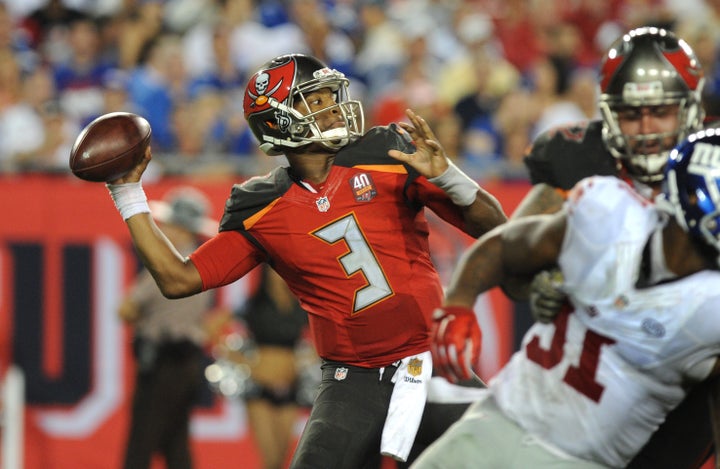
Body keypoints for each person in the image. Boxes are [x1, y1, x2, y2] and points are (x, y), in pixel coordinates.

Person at [103, 53, 507, 468]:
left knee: (517, 456)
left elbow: (497, 230)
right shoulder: (259, 205)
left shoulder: (387, 152)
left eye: (331, 95)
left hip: (429, 366)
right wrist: (128, 194)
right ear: (277, 120)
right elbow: (178, 279)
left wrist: (448, 177)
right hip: (352, 382)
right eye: (314, 100)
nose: (332, 107)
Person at [412, 127, 720, 469]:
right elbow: (507, 245)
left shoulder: (711, 304)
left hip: (580, 460)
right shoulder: (609, 209)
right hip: (498, 419)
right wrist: (459, 302)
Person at [509, 26, 716, 469]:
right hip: (587, 384)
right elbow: (511, 254)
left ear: (691, 108)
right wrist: (539, 282)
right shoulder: (577, 157)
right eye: (630, 114)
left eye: (660, 112)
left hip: (685, 381)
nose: (645, 130)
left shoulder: (712, 166)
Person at [118, 186, 217, 469]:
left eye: (167, 224)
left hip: (163, 360)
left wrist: (145, 320)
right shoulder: (202, 263)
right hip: (187, 362)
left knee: (142, 441)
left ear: (180, 228)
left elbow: (126, 309)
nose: (160, 229)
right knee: (175, 440)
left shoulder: (167, 265)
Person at [205, 265, 317, 469]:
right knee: (270, 460)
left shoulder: (300, 305)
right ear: (266, 274)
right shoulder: (255, 305)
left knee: (283, 459)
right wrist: (237, 358)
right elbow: (213, 325)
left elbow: (325, 334)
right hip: (259, 389)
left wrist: (310, 359)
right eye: (274, 270)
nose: (279, 276)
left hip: (291, 388)